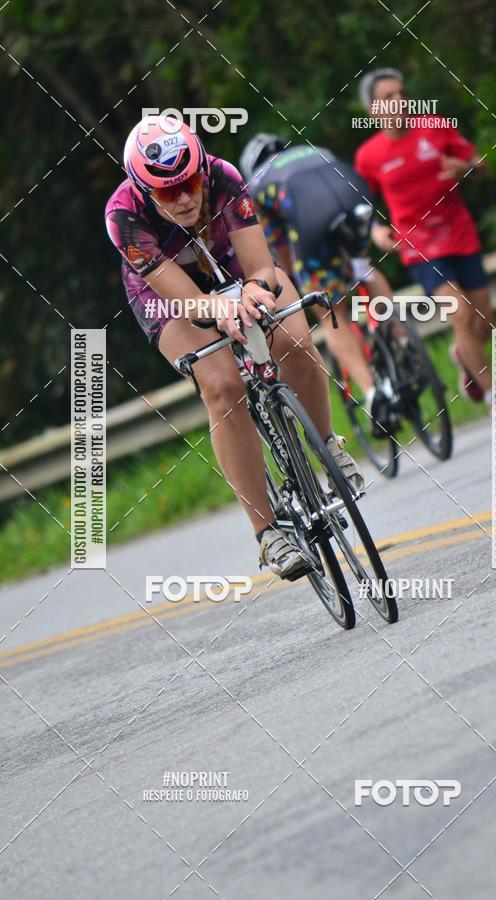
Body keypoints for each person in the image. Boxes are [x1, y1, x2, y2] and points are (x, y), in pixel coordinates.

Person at [105, 115, 363, 579]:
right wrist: (221, 311)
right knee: (223, 387)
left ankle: (327, 444)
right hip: (167, 291)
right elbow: (191, 303)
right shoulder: (123, 217)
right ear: (145, 193)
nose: (184, 198)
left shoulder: (224, 176)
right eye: (167, 192)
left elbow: (262, 267)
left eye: (189, 183)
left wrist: (254, 291)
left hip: (229, 262)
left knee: (293, 337)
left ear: (202, 168)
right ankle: (267, 533)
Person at [354, 68, 495, 409]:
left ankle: (464, 356)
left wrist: (468, 169)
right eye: (389, 97)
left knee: (484, 324)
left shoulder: (435, 126)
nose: (399, 101)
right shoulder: (368, 157)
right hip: (420, 247)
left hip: (459, 234)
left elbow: (482, 165)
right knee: (460, 313)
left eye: (402, 93)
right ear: (374, 110)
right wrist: (375, 230)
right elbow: (363, 202)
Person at [239, 133, 395, 432]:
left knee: (329, 311)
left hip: (312, 218)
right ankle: (401, 338)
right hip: (354, 196)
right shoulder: (314, 148)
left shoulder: (257, 184)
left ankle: (373, 393)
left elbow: (278, 249)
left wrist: (294, 286)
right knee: (363, 268)